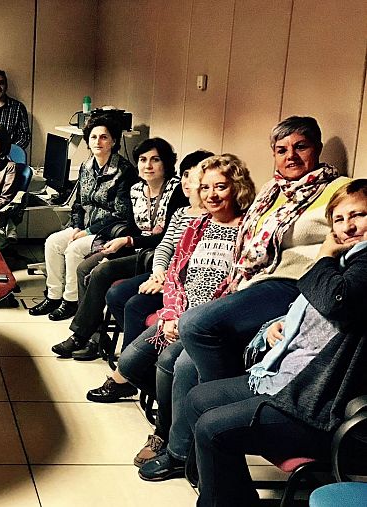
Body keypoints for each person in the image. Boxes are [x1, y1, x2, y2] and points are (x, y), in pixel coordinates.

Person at [141, 118, 349, 481]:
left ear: (316, 149)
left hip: (293, 287)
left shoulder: (337, 189)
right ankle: (182, 452)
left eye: (301, 147)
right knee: (186, 361)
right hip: (253, 284)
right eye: (281, 149)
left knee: (196, 323)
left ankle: (223, 412)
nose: (291, 156)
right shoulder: (275, 190)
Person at [187, 179, 367, 506]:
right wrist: (279, 324)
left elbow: (338, 300)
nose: (348, 226)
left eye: (359, 215)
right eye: (338, 219)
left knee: (212, 429)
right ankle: (229, 496)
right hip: (294, 382)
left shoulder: (361, 264)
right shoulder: (349, 263)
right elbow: (318, 309)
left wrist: (324, 255)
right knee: (199, 398)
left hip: (324, 405)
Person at [84, 157, 254, 473]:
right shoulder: (196, 226)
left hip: (210, 324)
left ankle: (166, 434)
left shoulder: (248, 230)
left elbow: (242, 285)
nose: (212, 194)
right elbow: (175, 273)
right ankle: (175, 416)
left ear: (237, 188)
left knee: (169, 365)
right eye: (206, 187)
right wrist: (171, 314)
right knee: (130, 361)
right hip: (179, 315)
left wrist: (192, 320)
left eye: (221, 186)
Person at [50, 137, 188, 359]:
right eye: (143, 160)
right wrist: (125, 243)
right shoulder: (137, 190)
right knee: (86, 268)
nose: (148, 165)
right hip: (137, 249)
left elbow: (166, 239)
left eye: (155, 160)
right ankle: (95, 336)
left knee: (103, 272)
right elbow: (134, 228)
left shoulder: (176, 191)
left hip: (155, 256)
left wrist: (131, 241)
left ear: (167, 164)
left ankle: (80, 337)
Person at [27, 113, 136, 321]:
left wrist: (88, 231)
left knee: (74, 249)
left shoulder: (124, 171)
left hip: (108, 232)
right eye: (93, 137)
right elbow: (78, 203)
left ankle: (71, 301)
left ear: (113, 140)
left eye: (104, 137)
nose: (98, 142)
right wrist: (77, 226)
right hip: (84, 227)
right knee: (53, 242)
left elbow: (121, 214)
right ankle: (53, 295)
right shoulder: (87, 167)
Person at [104, 150, 213, 352]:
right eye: (185, 175)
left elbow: (194, 261)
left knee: (135, 304)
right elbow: (165, 245)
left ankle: (134, 360)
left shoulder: (212, 217)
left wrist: (166, 281)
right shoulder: (181, 212)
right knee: (116, 294)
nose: (187, 182)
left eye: (194, 176)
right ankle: (139, 352)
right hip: (164, 273)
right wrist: (158, 272)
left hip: (181, 281)